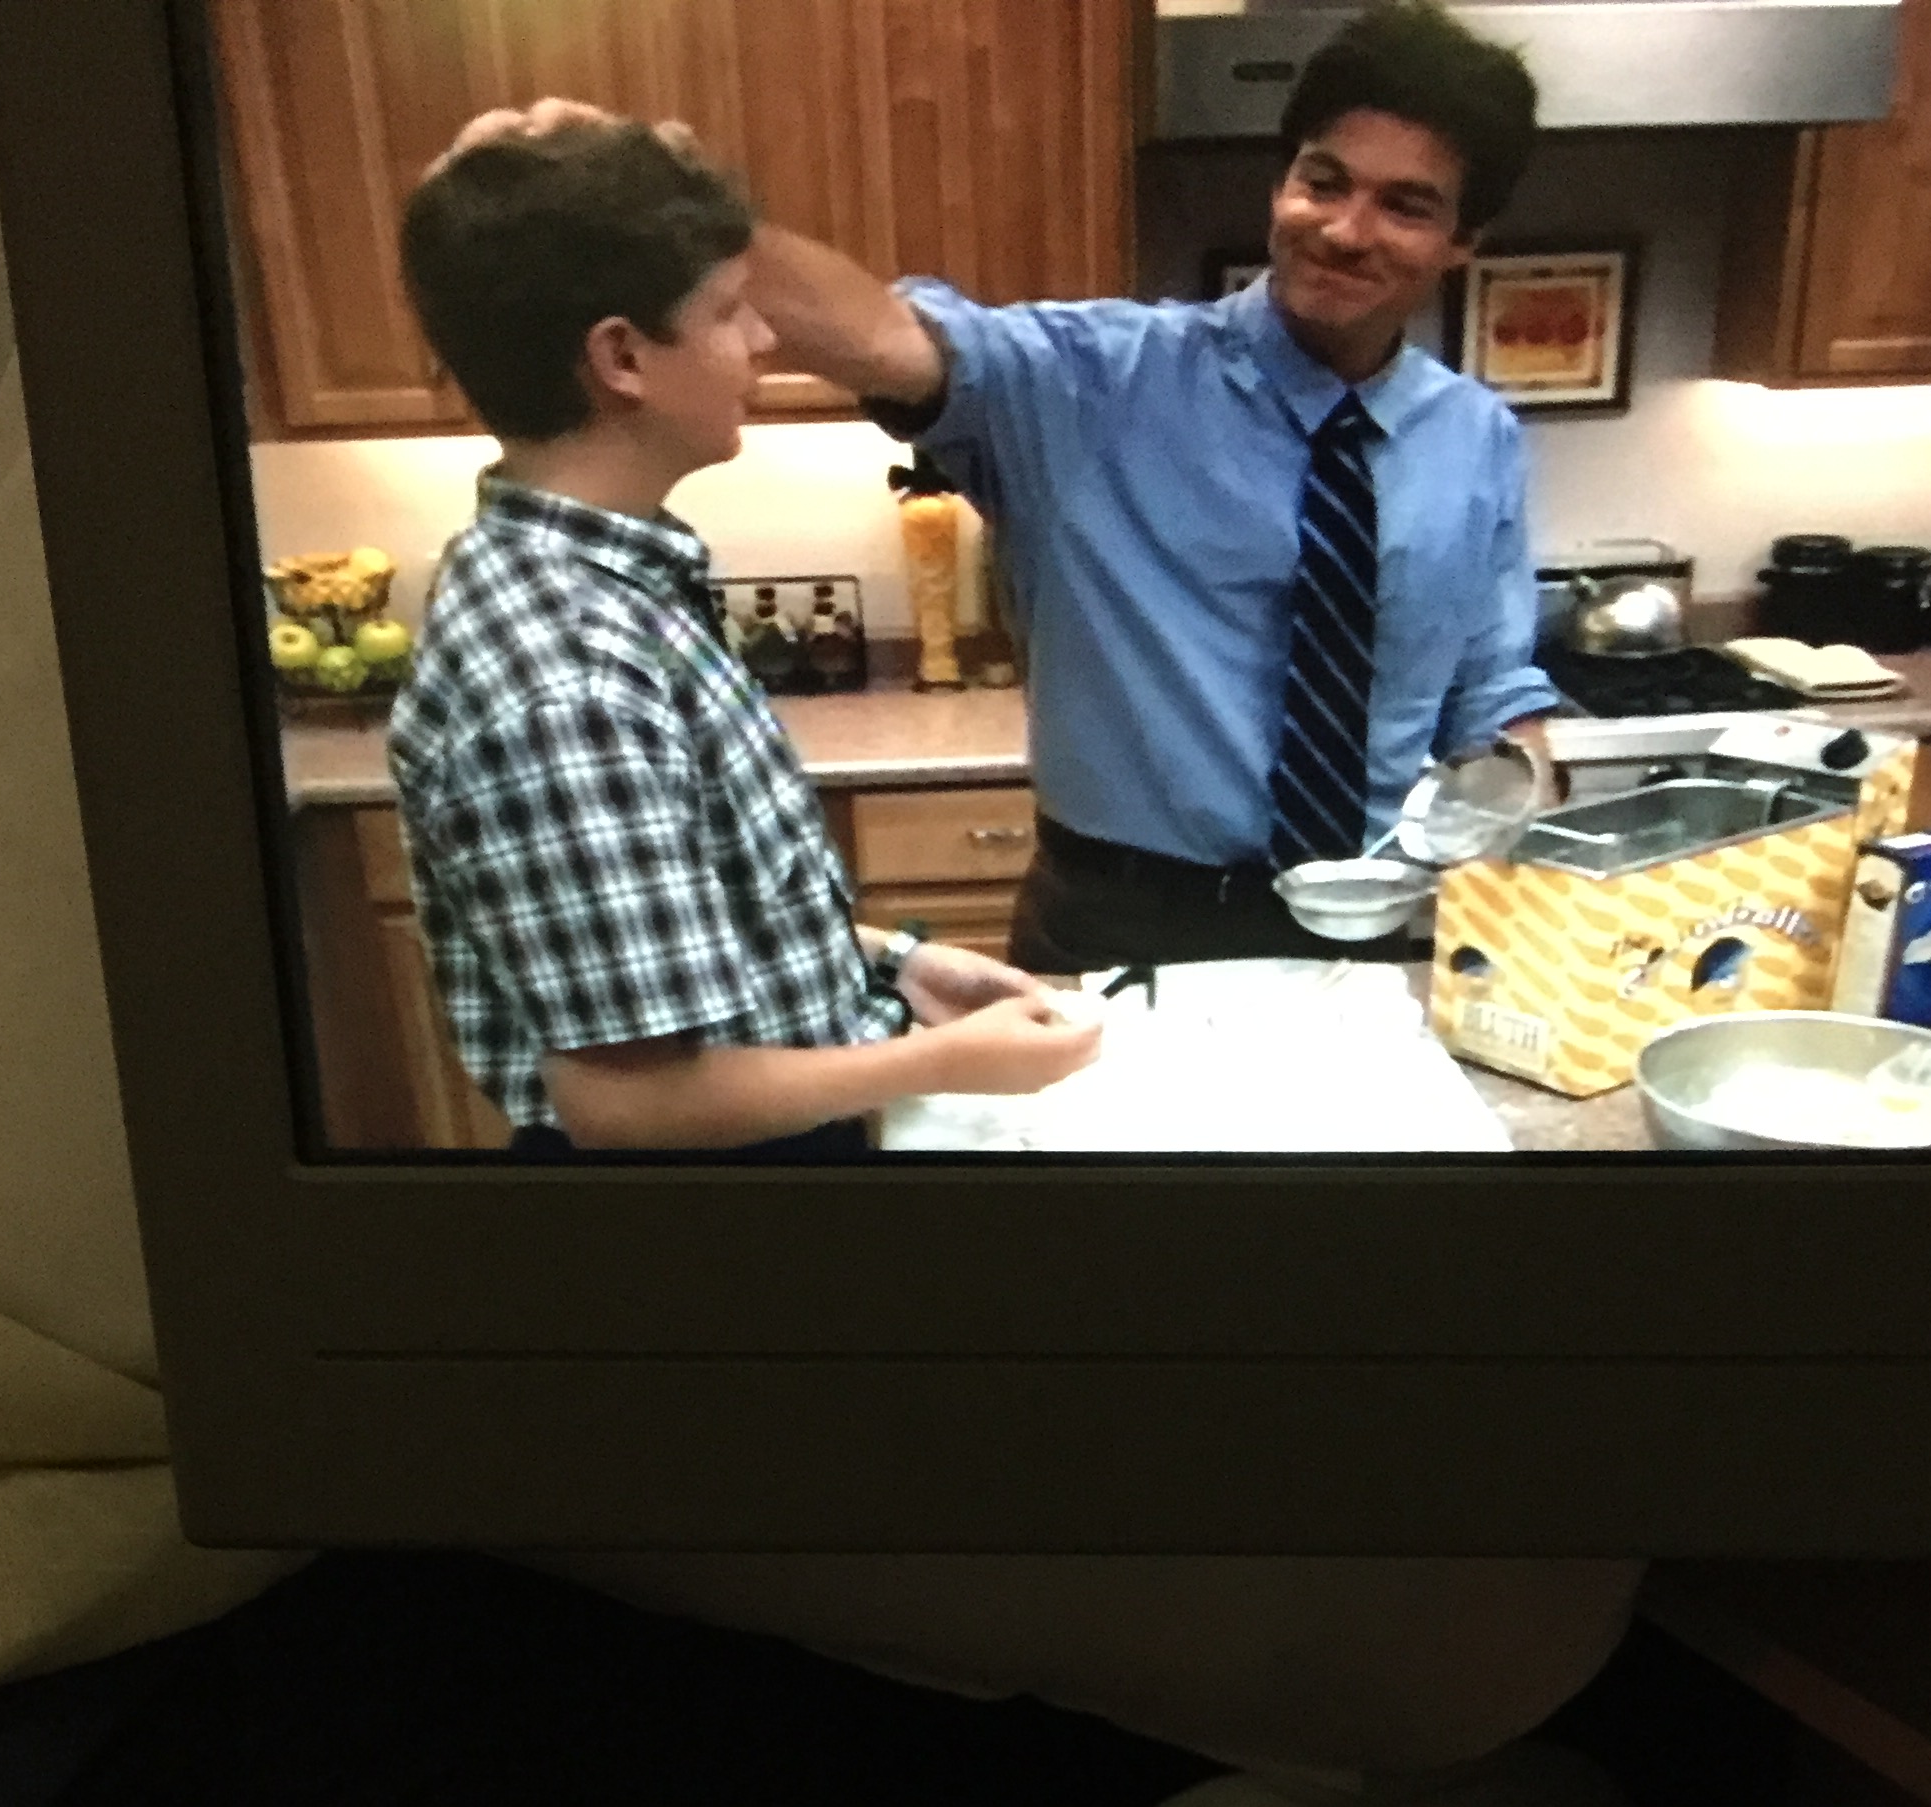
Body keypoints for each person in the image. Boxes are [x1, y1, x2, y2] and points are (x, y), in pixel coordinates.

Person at [462, 4, 1560, 973]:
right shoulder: (1086, 385)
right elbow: (888, 340)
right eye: (1323, 181)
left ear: (1462, 241)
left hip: (1383, 929)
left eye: (1405, 205)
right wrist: (668, 213)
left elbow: (1490, 689)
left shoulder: (1477, 440)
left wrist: (1517, 787)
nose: (1346, 229)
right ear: (1282, 183)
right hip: (1123, 929)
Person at [388, 119, 1100, 1156]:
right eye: (727, 311)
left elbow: (695, 929)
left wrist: (896, 964)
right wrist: (948, 1061)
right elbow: (629, 1102)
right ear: (622, 357)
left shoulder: (608, 589)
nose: (764, 339)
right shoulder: (570, 676)